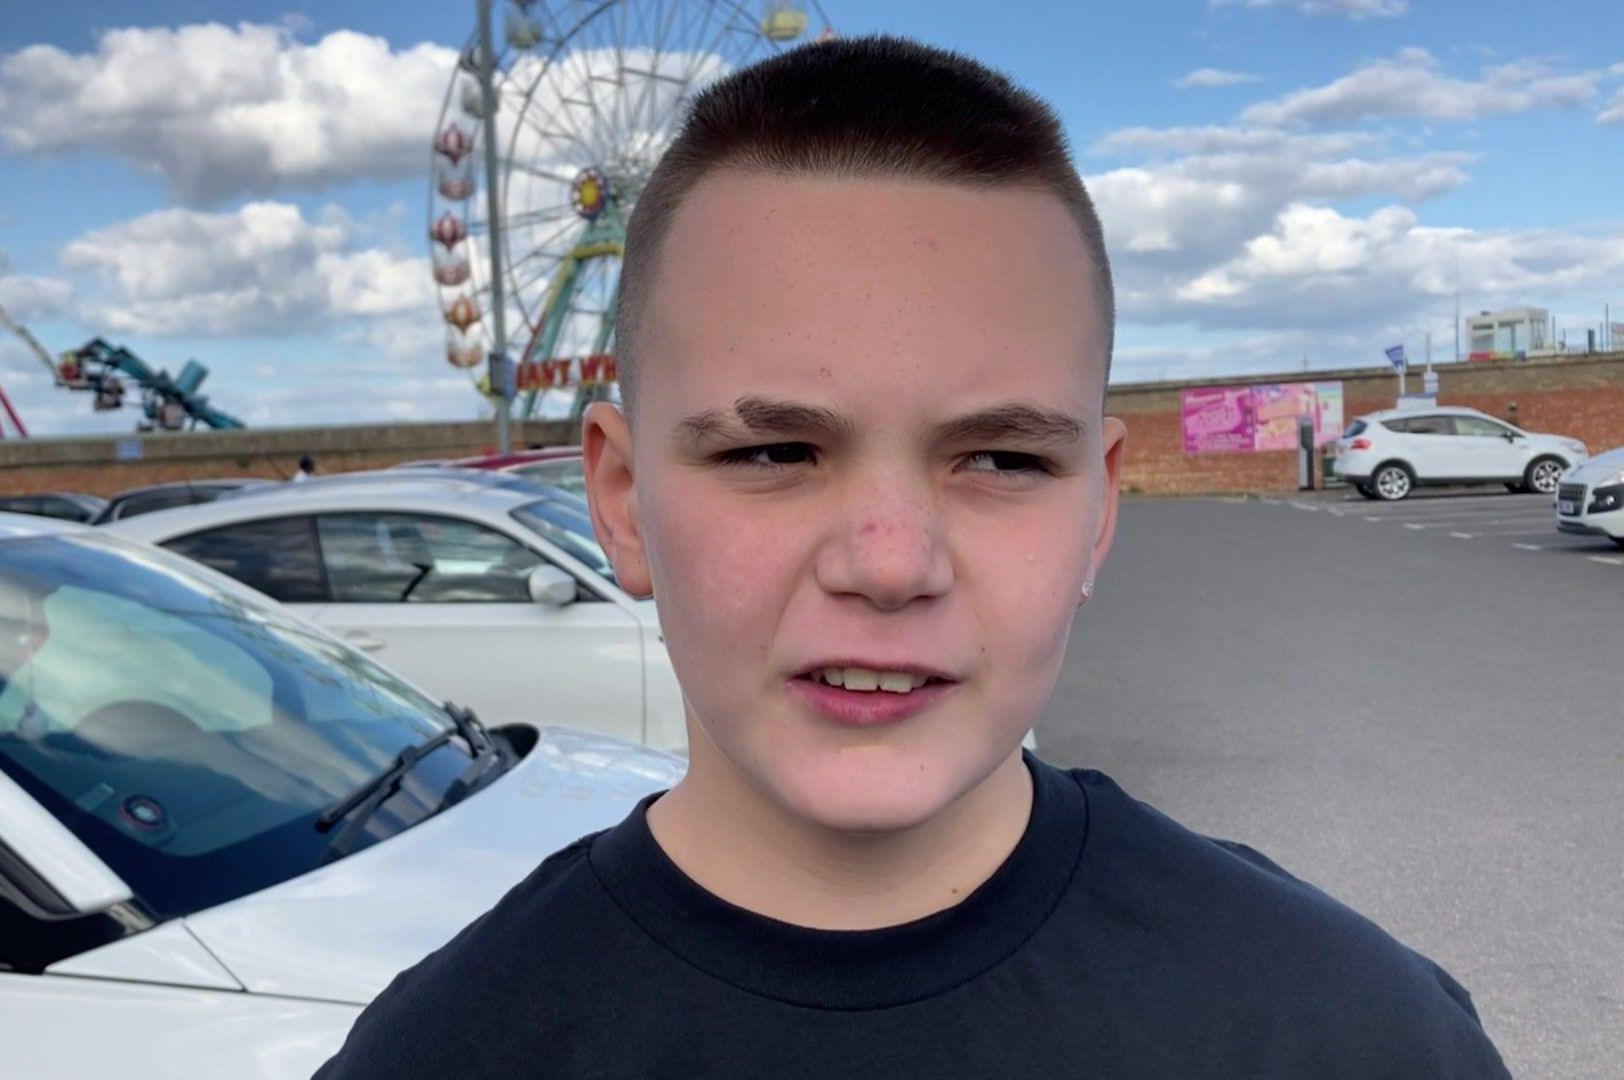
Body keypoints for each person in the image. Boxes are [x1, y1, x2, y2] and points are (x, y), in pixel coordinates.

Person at [313, 36, 1508, 1079]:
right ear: (621, 503)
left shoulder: (1355, 1040)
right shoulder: (436, 1056)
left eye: (999, 462)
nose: (889, 566)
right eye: (776, 451)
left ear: (1097, 511)